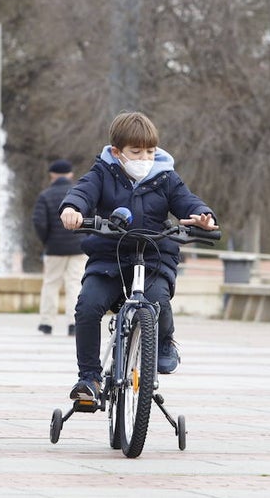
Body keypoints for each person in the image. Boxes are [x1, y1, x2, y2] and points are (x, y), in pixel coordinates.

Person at [58, 111, 218, 403]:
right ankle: (89, 378)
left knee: (159, 302)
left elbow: (187, 201)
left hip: (154, 259)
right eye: (136, 151)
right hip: (110, 260)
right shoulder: (103, 172)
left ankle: (165, 343)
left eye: (150, 151)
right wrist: (73, 209)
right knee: (87, 307)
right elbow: (82, 191)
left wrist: (202, 216)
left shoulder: (166, 177)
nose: (144, 157)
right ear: (118, 152)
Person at [32, 159, 86, 336]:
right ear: (70, 174)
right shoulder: (80, 194)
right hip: (78, 247)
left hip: (54, 248)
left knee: (50, 284)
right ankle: (73, 324)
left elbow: (39, 222)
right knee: (75, 284)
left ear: (52, 175)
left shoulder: (45, 195)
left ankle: (46, 323)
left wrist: (47, 241)